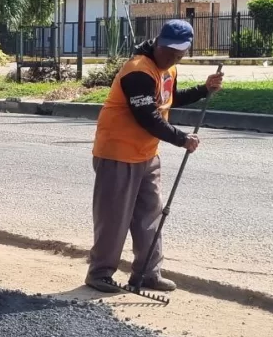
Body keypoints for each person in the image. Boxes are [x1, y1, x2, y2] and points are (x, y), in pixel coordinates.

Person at [86, 19, 223, 294]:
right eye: (168, 51)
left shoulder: (167, 68)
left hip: (146, 154)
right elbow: (146, 115)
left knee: (150, 216)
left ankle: (148, 274)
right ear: (158, 42)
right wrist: (181, 139)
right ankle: (99, 274)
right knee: (114, 217)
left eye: (178, 54)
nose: (171, 57)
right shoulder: (137, 70)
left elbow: (168, 99)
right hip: (117, 153)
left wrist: (203, 90)